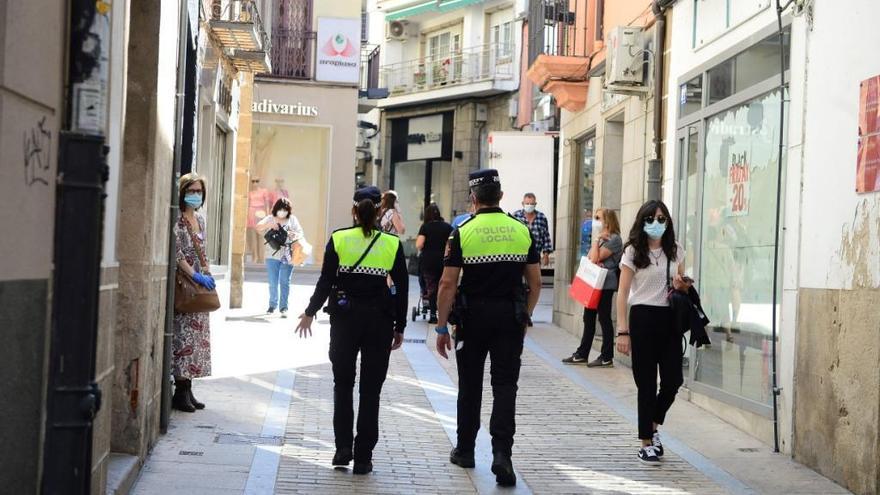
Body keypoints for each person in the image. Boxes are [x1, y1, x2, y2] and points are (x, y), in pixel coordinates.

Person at [435, 169, 542, 487]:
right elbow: (535, 282)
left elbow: (447, 283)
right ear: (501, 196)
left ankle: (466, 450)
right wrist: (526, 315)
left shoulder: (462, 232)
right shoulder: (521, 229)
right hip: (509, 318)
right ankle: (501, 455)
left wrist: (441, 326)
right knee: (505, 387)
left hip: (472, 320)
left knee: (470, 386)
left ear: (473, 198)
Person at [295, 186, 408, 476]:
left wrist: (310, 312)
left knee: (343, 385)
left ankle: (343, 449)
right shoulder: (391, 244)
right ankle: (364, 457)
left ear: (354, 211)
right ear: (379, 212)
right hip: (379, 322)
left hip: (345, 321)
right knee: (371, 391)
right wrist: (400, 325)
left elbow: (325, 281)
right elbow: (402, 288)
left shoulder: (339, 238)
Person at [615, 200, 691, 465]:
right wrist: (622, 331)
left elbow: (679, 286)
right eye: (651, 219)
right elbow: (623, 293)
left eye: (661, 219)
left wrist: (682, 285)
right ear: (642, 221)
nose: (656, 224)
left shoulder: (676, 251)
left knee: (673, 380)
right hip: (642, 319)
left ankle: (654, 424)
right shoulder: (633, 252)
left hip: (669, 319)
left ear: (668, 222)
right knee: (646, 384)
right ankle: (646, 441)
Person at [172, 173, 216, 413]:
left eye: (199, 191)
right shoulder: (178, 220)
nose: (195, 195)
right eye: (191, 190)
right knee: (182, 338)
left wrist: (207, 274)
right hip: (185, 286)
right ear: (182, 192)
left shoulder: (200, 219)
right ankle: (180, 390)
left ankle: (188, 388)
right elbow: (178, 254)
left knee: (197, 340)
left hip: (200, 286)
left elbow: (202, 251)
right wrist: (194, 275)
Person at [563, 208, 623, 367]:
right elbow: (591, 258)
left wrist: (596, 242)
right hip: (595, 284)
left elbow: (595, 257)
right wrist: (597, 240)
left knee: (604, 318)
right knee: (588, 318)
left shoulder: (614, 239)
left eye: (598, 218)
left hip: (605, 284)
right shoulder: (601, 238)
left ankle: (606, 356)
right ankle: (582, 354)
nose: (595, 220)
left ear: (608, 220)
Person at [256, 197, 304, 317]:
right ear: (276, 208)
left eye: (286, 209)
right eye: (281, 209)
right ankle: (272, 305)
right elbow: (258, 227)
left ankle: (283, 307)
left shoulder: (292, 219)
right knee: (273, 282)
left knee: (284, 281)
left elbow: (300, 233)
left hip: (288, 255)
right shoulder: (270, 218)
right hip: (272, 255)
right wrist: (270, 224)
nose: (283, 211)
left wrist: (293, 234)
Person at [415, 203, 453, 323]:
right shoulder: (447, 227)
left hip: (428, 261)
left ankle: (432, 315)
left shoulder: (425, 227)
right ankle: (444, 314)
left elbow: (419, 244)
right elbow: (451, 244)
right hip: (443, 261)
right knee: (443, 287)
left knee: (431, 287)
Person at [513, 192, 553, 266]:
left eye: (531, 204)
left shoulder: (541, 217)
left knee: (535, 277)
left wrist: (546, 254)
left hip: (535, 256)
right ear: (522, 203)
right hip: (519, 256)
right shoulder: (516, 216)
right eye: (527, 203)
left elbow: (546, 236)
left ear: (535, 204)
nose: (529, 206)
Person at [247, 177, 273, 264]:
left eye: (256, 181)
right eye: (253, 181)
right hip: (252, 213)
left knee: (261, 237)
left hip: (261, 213)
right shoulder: (250, 193)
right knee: (253, 238)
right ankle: (255, 257)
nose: (255, 183)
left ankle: (262, 257)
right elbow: (248, 205)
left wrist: (268, 216)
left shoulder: (264, 191)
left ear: (259, 182)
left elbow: (267, 204)